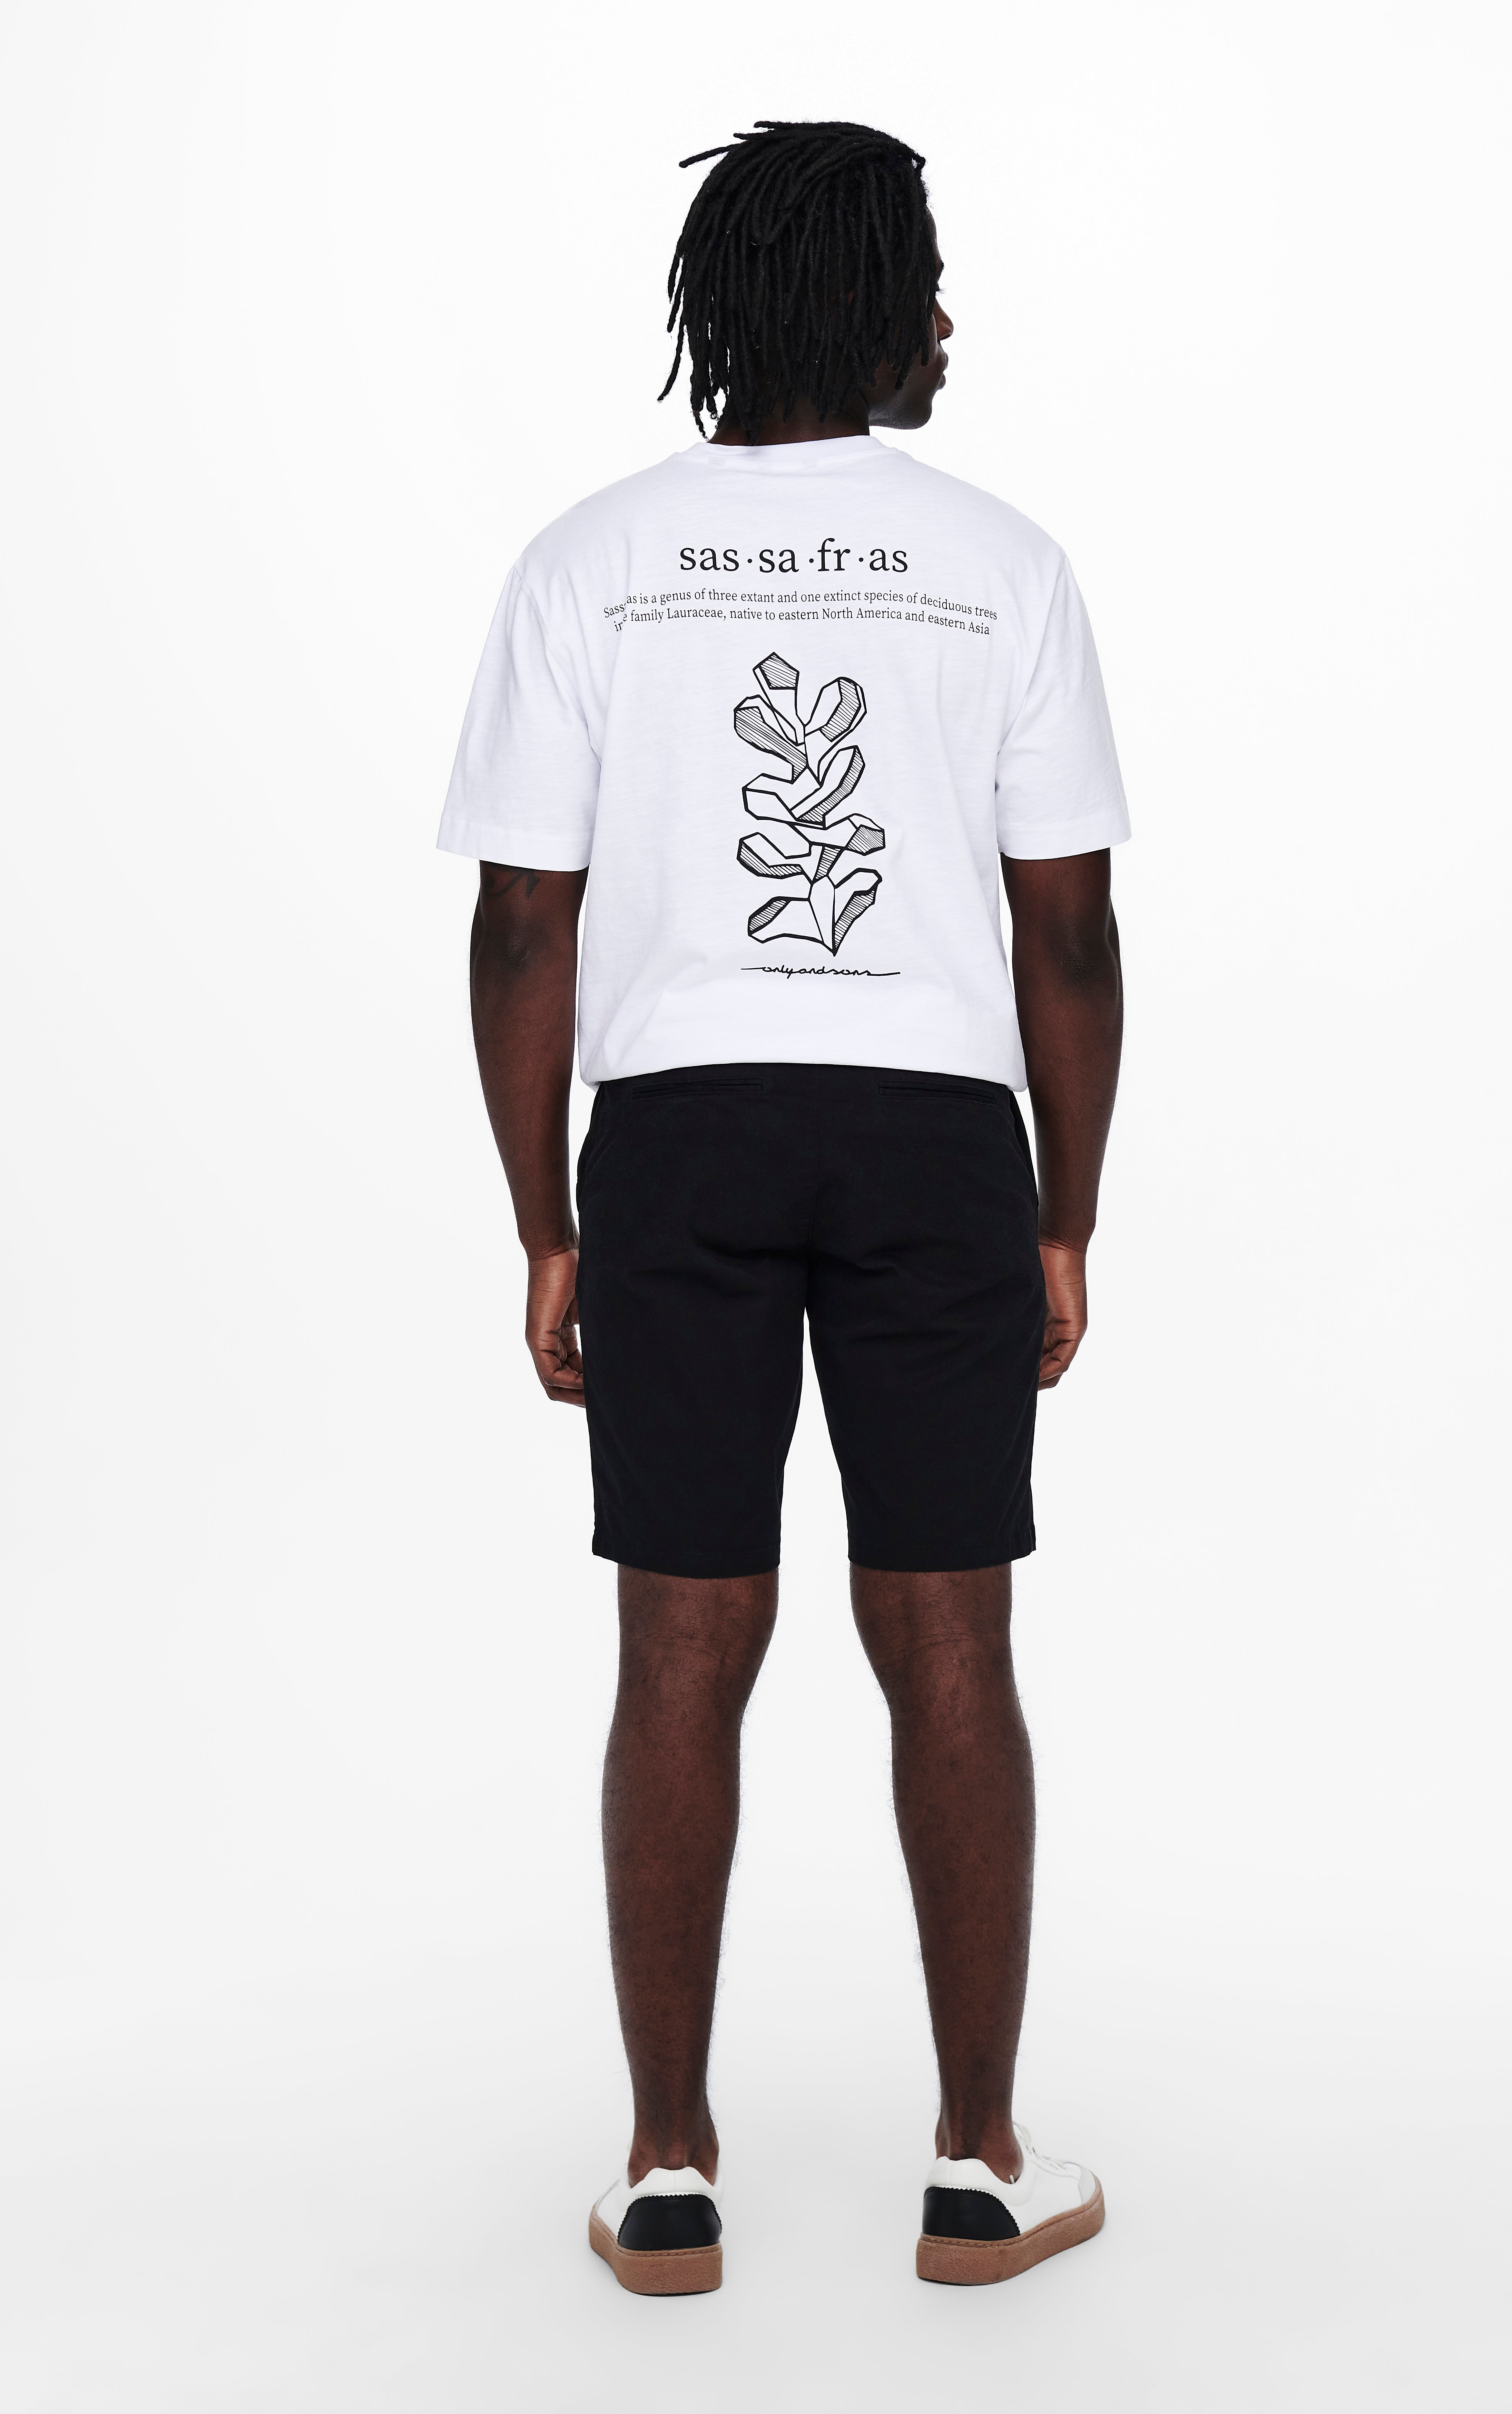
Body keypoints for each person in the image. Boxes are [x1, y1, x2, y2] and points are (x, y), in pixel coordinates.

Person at [440, 119, 1127, 2294]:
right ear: (870, 303)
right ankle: (981, 2160)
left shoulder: (589, 561)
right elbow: (1069, 928)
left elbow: (522, 927)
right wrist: (1065, 1213)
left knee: (680, 1635)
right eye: (927, 278)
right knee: (951, 1631)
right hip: (935, 1138)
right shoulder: (1002, 566)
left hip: (681, 1132)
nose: (948, 318)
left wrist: (547, 1220)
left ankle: (667, 2167)